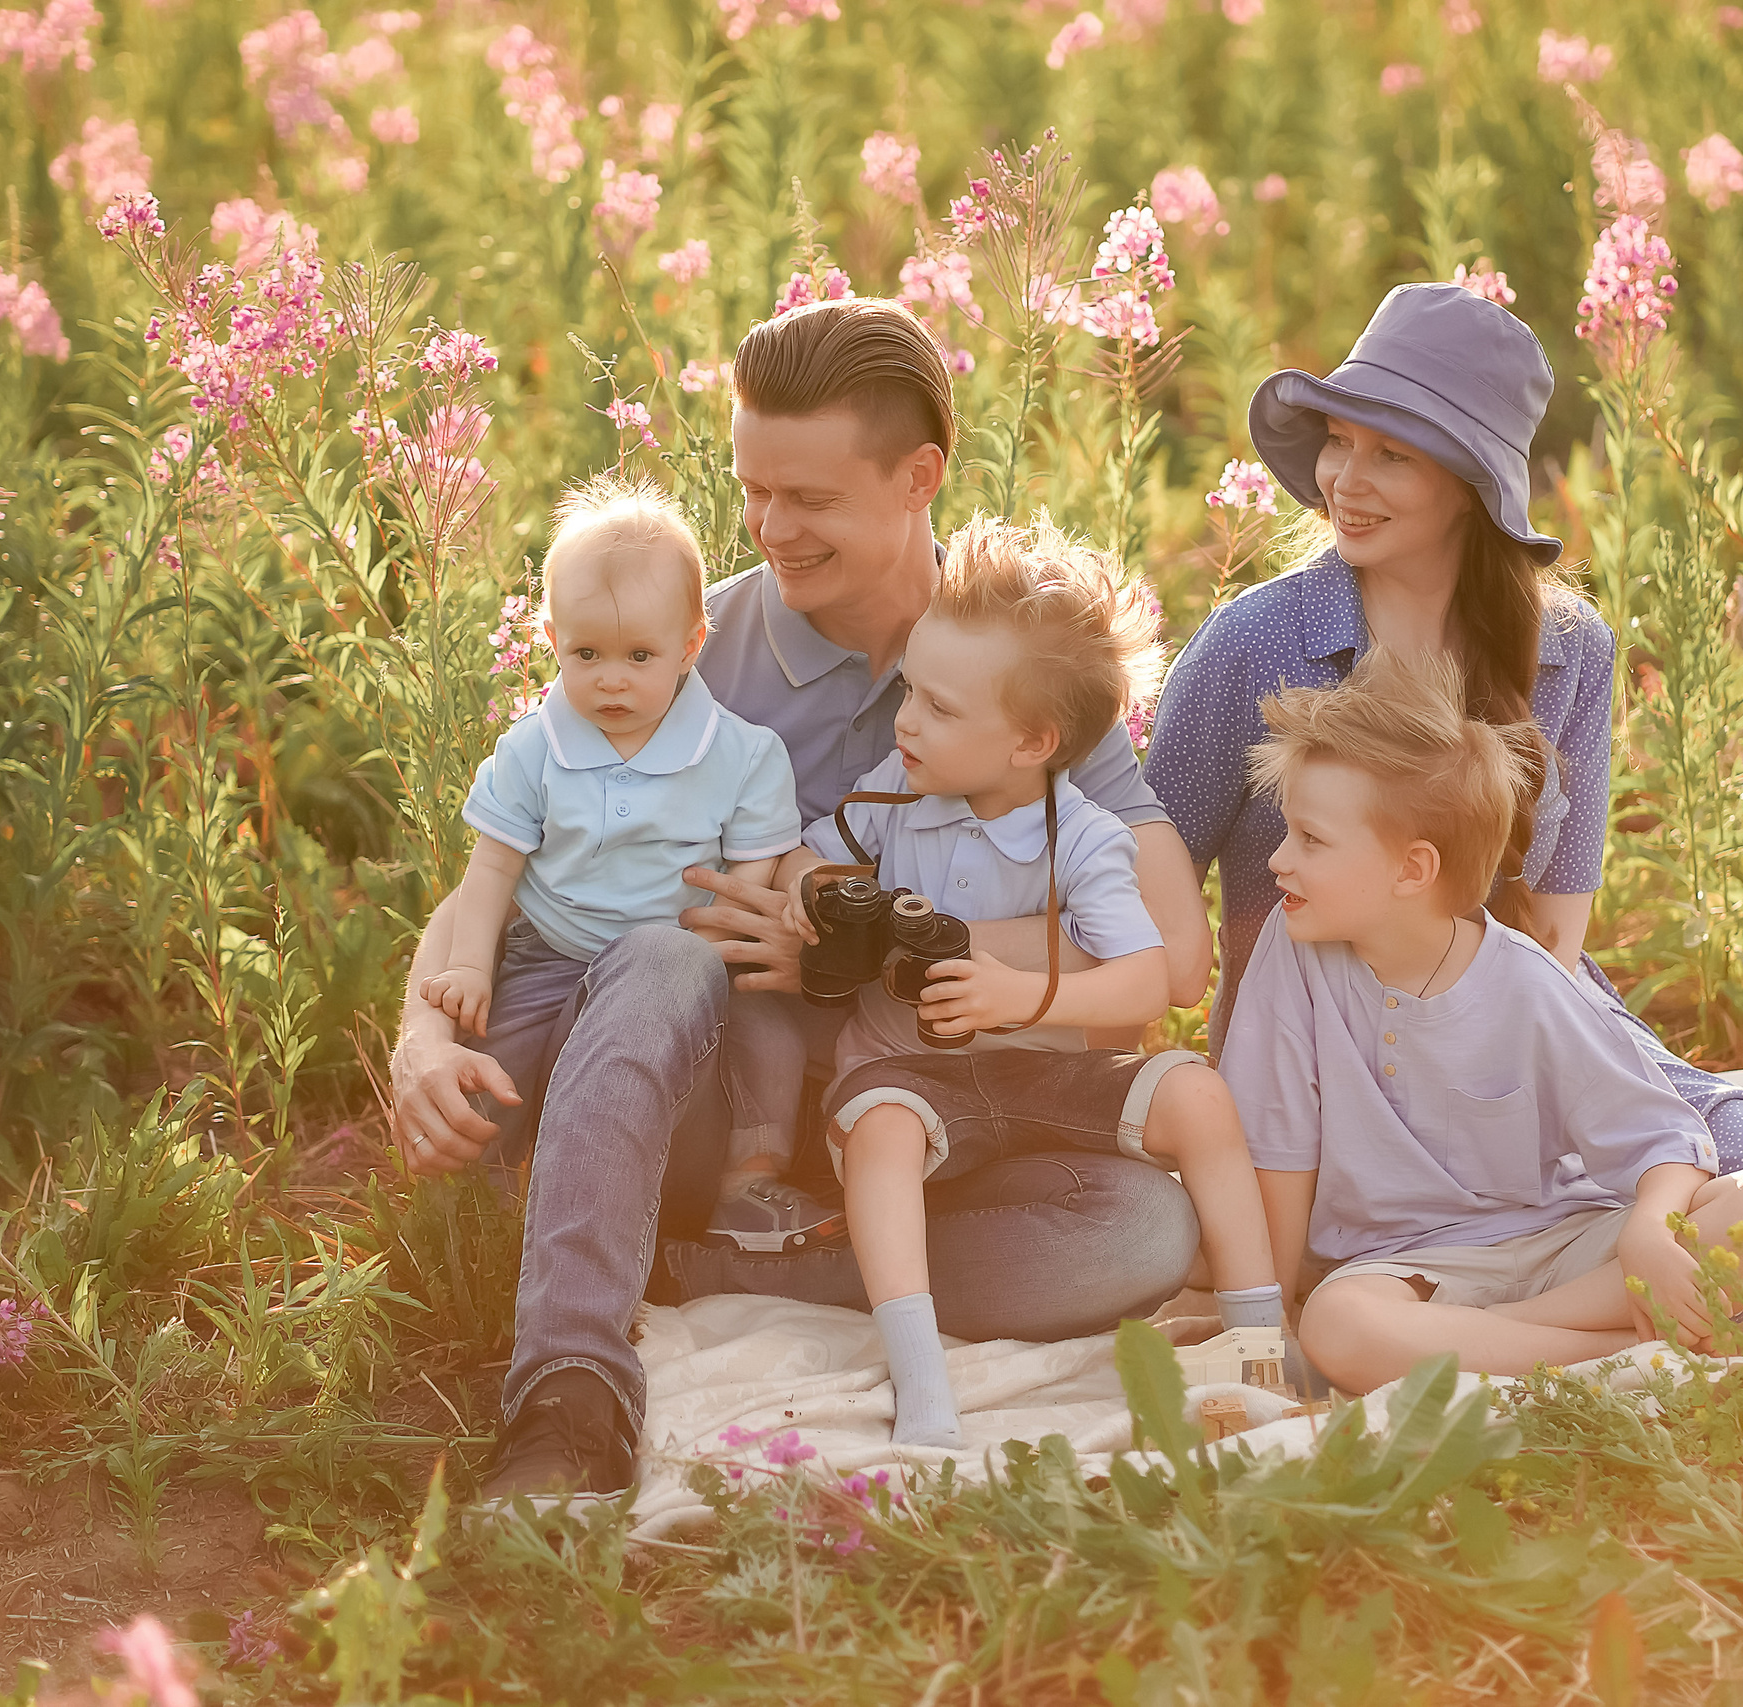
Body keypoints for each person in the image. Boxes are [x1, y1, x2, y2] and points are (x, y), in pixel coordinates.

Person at [389, 298, 1212, 1504]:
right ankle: (570, 1385)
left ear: (919, 476)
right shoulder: (683, 648)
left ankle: (733, 1274)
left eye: (809, 499)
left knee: (1140, 1232)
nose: (770, 527)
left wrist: (860, 937)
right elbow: (506, 863)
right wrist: (420, 1033)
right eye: (752, 489)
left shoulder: (1014, 661)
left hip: (933, 1122)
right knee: (664, 953)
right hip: (706, 1110)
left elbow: (1170, 961)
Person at [1144, 281, 1743, 1307]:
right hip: (1315, 1062)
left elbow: (1551, 926)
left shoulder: (1568, 651)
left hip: (1516, 1032)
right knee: (1361, 1267)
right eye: (1337, 442)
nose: (1343, 479)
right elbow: (1136, 874)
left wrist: (1500, 1100)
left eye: (1391, 454)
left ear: (1468, 482)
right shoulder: (1252, 646)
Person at [776, 515, 1280, 1446]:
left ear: (1031, 741)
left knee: (1198, 1097)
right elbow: (807, 861)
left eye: (940, 707)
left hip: (1042, 1084)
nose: (908, 721)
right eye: (909, 692)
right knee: (883, 1129)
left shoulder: (1084, 835)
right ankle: (921, 1379)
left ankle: (1256, 1355)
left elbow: (1145, 981)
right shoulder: (897, 790)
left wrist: (1024, 997)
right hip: (910, 1082)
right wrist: (811, 894)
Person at [1221, 653, 1743, 1392]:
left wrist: (1650, 1229)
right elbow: (1276, 1143)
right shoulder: (1294, 948)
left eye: (1310, 839)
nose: (1278, 859)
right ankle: (1608, 1349)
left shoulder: (1526, 982)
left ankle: (1511, 1340)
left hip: (1559, 1244)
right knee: (1337, 1324)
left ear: (1412, 870)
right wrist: (1266, 1321)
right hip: (1411, 1274)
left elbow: (1663, 1137)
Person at [420, 476, 831, 1258]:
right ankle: (485, 1206)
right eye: (587, 653)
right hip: (553, 951)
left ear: (690, 642)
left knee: (768, 1047)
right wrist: (471, 965)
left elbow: (750, 881)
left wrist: (750, 935)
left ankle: (744, 1187)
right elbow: (493, 868)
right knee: (494, 1061)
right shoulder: (534, 748)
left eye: (639, 654)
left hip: (685, 964)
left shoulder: (742, 756)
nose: (611, 678)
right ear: (551, 639)